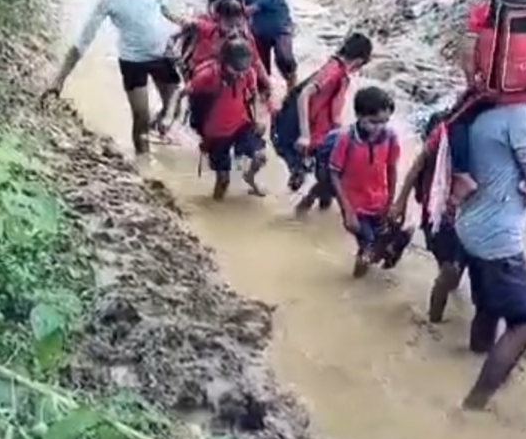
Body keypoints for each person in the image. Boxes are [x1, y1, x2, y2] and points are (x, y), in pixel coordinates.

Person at [454, 81, 526, 411]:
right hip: (498, 237)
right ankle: (473, 404)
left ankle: (474, 359)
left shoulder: (478, 109)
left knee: (488, 306)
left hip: (470, 226)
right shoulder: (516, 114)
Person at [41, 0, 187, 155]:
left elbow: (166, 10)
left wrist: (189, 25)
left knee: (173, 109)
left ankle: (158, 129)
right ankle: (144, 163)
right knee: (140, 115)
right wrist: (59, 79)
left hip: (162, 55)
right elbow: (83, 42)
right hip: (132, 61)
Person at [447, 0, 526, 207]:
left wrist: (471, 83)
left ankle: (462, 175)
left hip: (494, 93)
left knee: (453, 123)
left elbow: (469, 52)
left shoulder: (485, 9)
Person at [167, 36, 268, 200]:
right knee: (223, 180)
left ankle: (249, 176)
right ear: (224, 62)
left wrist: (257, 118)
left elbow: (253, 95)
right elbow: (180, 92)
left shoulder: (247, 72)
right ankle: (215, 208)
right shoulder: (208, 76)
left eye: (244, 69)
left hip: (242, 124)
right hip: (216, 133)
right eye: (236, 70)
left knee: (260, 157)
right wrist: (168, 116)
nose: (240, 74)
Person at [390, 109, 466, 322]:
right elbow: (413, 174)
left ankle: (446, 302)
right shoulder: (433, 153)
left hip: (459, 219)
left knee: (456, 270)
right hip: (437, 220)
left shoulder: (461, 153)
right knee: (449, 270)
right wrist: (400, 203)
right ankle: (434, 320)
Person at [280, 32, 372, 201]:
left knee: (327, 177)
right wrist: (305, 134)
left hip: (323, 134)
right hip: (316, 136)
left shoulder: (337, 70)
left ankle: (303, 191)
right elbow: (305, 95)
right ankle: (303, 207)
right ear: (359, 61)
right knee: (329, 178)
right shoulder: (334, 72)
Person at [328, 86, 402, 277]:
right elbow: (334, 173)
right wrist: (347, 211)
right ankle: (355, 284)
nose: (379, 127)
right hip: (356, 206)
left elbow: (392, 169)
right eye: (374, 122)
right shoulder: (346, 139)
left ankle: (376, 262)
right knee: (367, 246)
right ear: (359, 116)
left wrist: (392, 201)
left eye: (384, 122)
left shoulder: (391, 137)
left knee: (383, 240)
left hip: (380, 202)